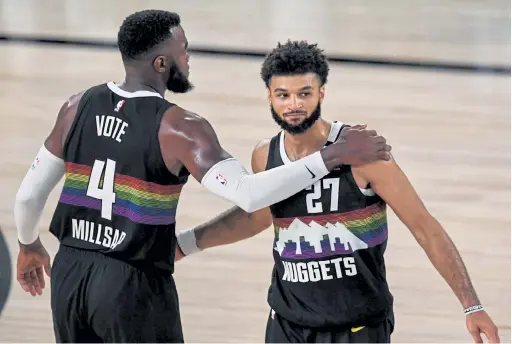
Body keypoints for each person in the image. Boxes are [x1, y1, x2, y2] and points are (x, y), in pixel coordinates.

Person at [12, 11, 392, 343]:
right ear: (162, 63)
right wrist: (332, 156)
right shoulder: (180, 128)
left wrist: (29, 244)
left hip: (70, 273)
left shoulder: (76, 106)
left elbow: (29, 196)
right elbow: (247, 194)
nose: (189, 58)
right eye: (183, 50)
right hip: (131, 283)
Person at [174, 40, 501, 343]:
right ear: (269, 97)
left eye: (304, 93)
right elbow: (256, 216)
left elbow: (423, 226)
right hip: (287, 323)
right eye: (283, 95)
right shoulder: (265, 154)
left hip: (357, 326)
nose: (294, 104)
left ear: (322, 93)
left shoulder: (362, 152)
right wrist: (185, 244)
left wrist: (470, 304)